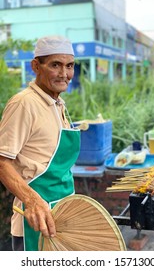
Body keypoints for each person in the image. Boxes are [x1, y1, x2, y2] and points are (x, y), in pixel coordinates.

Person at [0, 35, 81, 251]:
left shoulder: (58, 103)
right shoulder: (24, 104)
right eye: (56, 65)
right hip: (35, 222)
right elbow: (2, 163)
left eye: (69, 66)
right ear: (36, 66)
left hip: (62, 216)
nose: (64, 74)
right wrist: (33, 201)